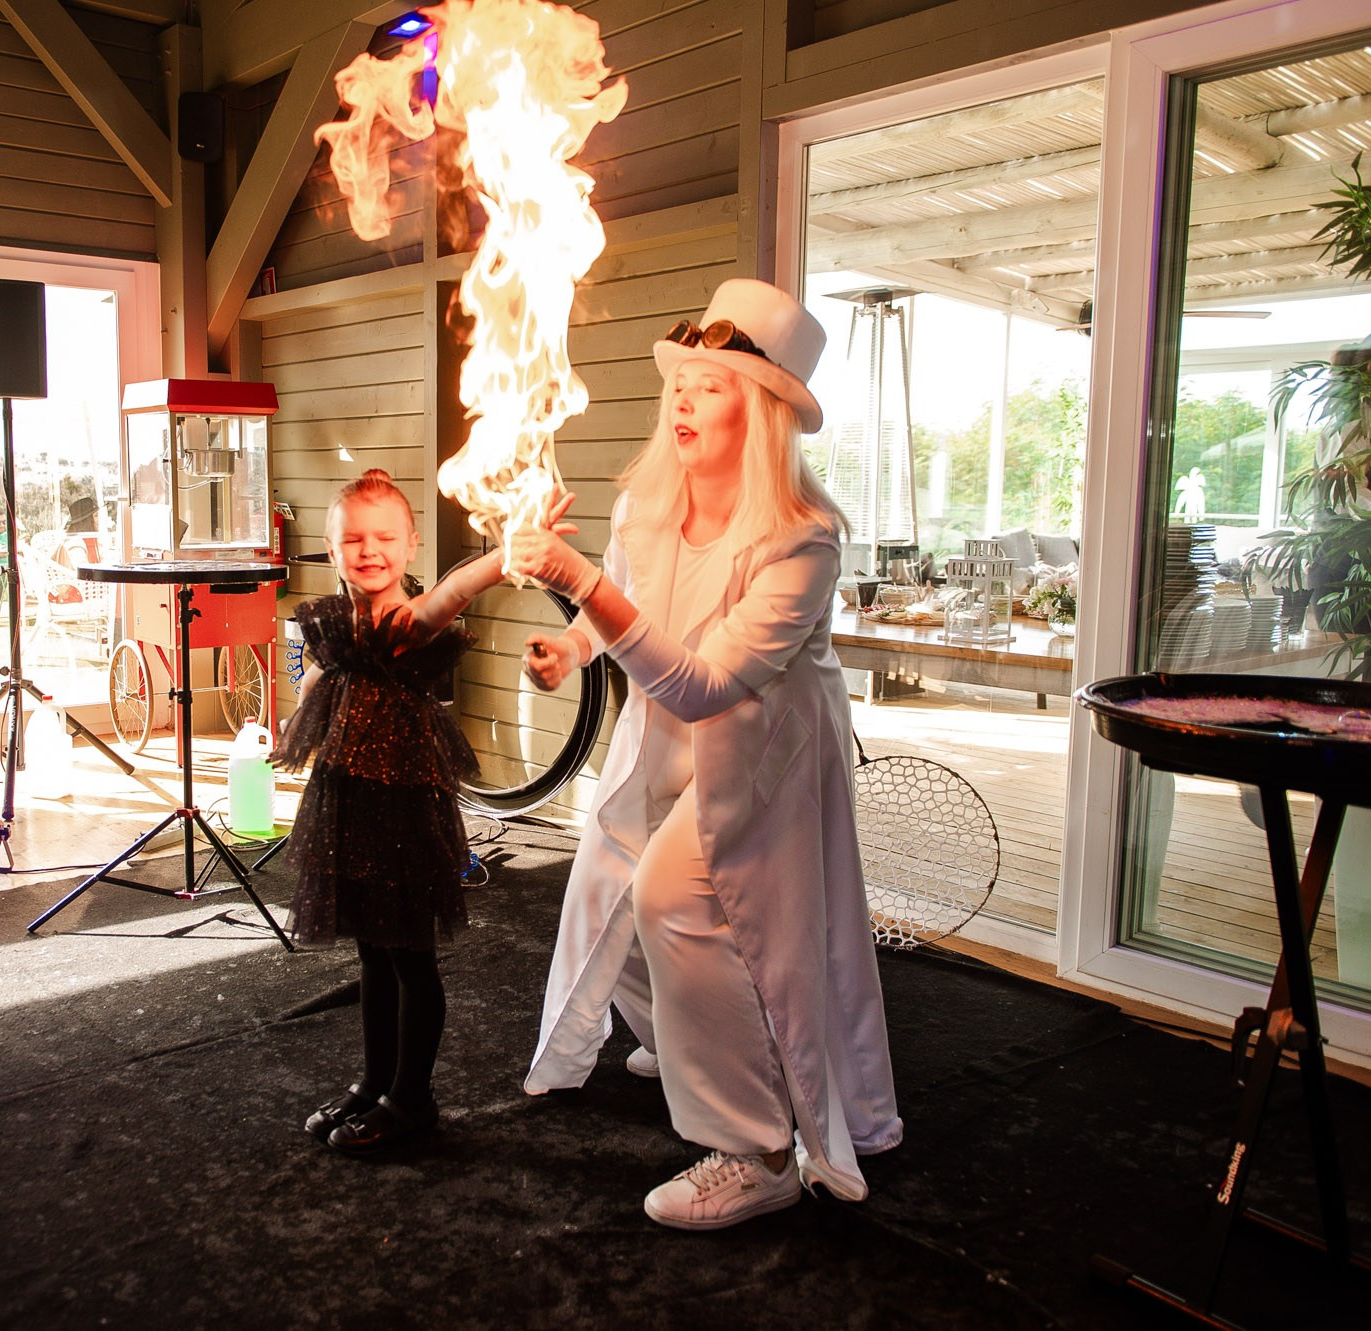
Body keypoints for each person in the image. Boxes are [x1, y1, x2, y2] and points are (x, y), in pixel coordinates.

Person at [506, 279, 902, 1230]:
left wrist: (577, 580)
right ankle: (698, 1039)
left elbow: (702, 684)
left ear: (762, 412)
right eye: (680, 380)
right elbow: (638, 613)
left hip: (763, 752)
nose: (682, 398)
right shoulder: (649, 501)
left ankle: (760, 1146)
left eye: (711, 383)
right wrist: (573, 642)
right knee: (613, 883)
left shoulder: (804, 545)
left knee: (678, 894)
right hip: (669, 734)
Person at [276, 469, 510, 1154]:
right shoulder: (341, 624)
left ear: (411, 545)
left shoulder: (405, 621)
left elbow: (450, 596)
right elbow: (324, 676)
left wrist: (505, 555)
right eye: (353, 537)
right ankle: (375, 1082)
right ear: (329, 544)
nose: (368, 549)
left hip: (404, 816)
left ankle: (413, 1098)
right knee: (373, 954)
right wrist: (299, 714)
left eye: (384, 537)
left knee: (410, 958)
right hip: (352, 809)